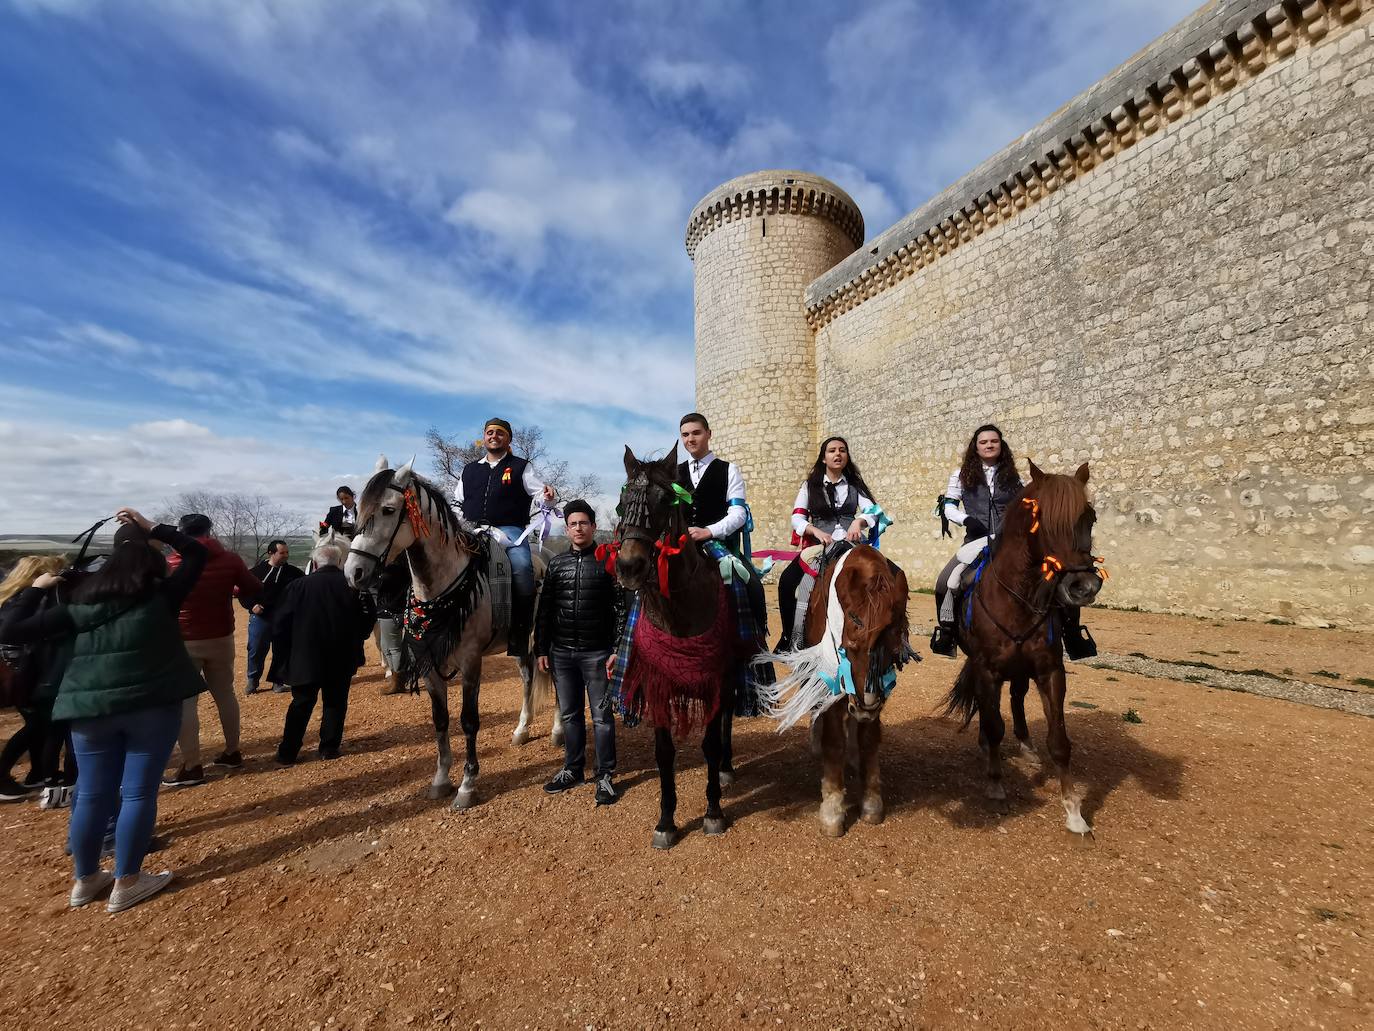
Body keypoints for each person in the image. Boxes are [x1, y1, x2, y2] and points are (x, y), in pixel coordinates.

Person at [0, 508, 206, 912]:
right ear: (153, 558)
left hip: (90, 709)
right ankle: (127, 880)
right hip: (152, 706)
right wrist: (153, 527)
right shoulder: (162, 595)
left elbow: (9, 628)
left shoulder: (78, 601)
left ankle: (86, 878)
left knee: (92, 793)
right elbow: (196, 554)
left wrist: (35, 589)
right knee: (138, 794)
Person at [162, 514, 262, 787]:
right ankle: (232, 751)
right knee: (226, 694)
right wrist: (228, 588)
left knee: (186, 703)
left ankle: (192, 765)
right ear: (209, 530)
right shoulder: (230, 559)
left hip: (183, 639)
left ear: (181, 533)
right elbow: (253, 586)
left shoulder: (171, 563)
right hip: (221, 635)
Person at [534, 500, 620, 806]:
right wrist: (541, 648)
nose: (579, 528)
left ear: (594, 527)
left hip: (597, 653)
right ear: (567, 528)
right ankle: (572, 769)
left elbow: (621, 609)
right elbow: (544, 611)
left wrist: (617, 649)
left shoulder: (609, 562)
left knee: (601, 717)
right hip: (562, 655)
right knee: (570, 715)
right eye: (573, 523)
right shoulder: (556, 565)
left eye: (584, 523)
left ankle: (605, 775)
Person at [452, 418, 555, 656]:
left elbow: (540, 494)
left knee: (521, 567)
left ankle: (520, 632)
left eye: (500, 433)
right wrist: (459, 525)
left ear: (508, 439)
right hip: (473, 529)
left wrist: (549, 497)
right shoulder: (469, 470)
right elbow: (457, 501)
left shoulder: (521, 466)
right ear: (484, 438)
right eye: (489, 432)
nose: (494, 436)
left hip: (511, 532)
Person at [272, 538, 377, 764]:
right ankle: (329, 748)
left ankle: (288, 751)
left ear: (315, 563)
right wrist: (358, 637)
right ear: (340, 562)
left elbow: (280, 623)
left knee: (301, 703)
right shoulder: (354, 587)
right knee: (336, 702)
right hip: (343, 653)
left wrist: (287, 650)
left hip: (305, 654)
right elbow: (369, 617)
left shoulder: (297, 586)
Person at [775, 436, 881, 650]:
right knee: (787, 581)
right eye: (832, 450)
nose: (838, 454)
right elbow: (797, 518)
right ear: (824, 458)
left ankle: (890, 638)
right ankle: (789, 637)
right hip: (820, 547)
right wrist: (815, 530)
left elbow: (874, 511)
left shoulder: (855, 485)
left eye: (842, 450)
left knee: (889, 576)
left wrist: (858, 522)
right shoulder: (810, 485)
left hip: (852, 546)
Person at [675, 413, 770, 643]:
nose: (691, 439)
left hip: (715, 543)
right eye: (685, 435)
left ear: (709, 434)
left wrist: (709, 531)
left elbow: (738, 514)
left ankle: (754, 645)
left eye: (696, 433)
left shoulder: (729, 470)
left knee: (751, 585)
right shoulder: (674, 473)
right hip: (680, 544)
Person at [930, 424, 1024, 656]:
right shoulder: (960, 474)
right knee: (945, 582)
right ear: (976, 446)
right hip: (976, 540)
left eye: (994, 441)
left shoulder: (1013, 474)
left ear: (1001, 446)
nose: (989, 445)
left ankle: (1070, 633)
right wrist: (967, 520)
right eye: (984, 442)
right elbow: (949, 507)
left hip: (1010, 542)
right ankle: (948, 633)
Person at [0, 555, 69, 800]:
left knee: (38, 725)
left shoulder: (10, 597)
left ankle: (37, 773)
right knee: (40, 725)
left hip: (17, 675)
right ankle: (2, 775)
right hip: (27, 675)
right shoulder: (30, 599)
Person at [241, 539, 304, 696]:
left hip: (285, 619)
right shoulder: (255, 572)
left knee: (282, 650)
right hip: (261, 618)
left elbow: (305, 589)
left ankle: (278, 681)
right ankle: (253, 680)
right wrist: (252, 605)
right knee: (256, 649)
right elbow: (243, 591)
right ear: (271, 553)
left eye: (287, 552)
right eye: (282, 553)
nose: (286, 556)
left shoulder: (295, 574)